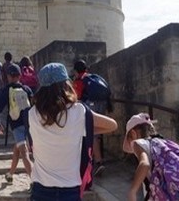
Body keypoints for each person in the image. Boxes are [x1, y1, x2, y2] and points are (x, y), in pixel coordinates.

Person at [28, 63, 117, 201]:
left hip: (41, 190)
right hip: (69, 191)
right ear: (66, 84)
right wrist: (83, 129)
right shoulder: (78, 112)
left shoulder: (32, 114)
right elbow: (112, 125)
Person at [123, 113, 179, 201]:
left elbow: (144, 164)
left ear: (133, 133)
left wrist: (132, 191)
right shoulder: (164, 144)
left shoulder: (138, 143)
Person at [0, 64, 33, 185]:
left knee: (24, 153)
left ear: (8, 77)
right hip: (29, 124)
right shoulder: (27, 89)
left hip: (16, 126)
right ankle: (10, 174)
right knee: (17, 148)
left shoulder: (7, 90)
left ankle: (34, 181)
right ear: (20, 75)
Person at [72, 59, 107, 177]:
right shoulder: (94, 77)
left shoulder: (79, 80)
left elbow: (76, 97)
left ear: (76, 70)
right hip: (102, 104)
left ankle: (98, 161)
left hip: (91, 105)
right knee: (96, 133)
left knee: (92, 133)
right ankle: (97, 159)